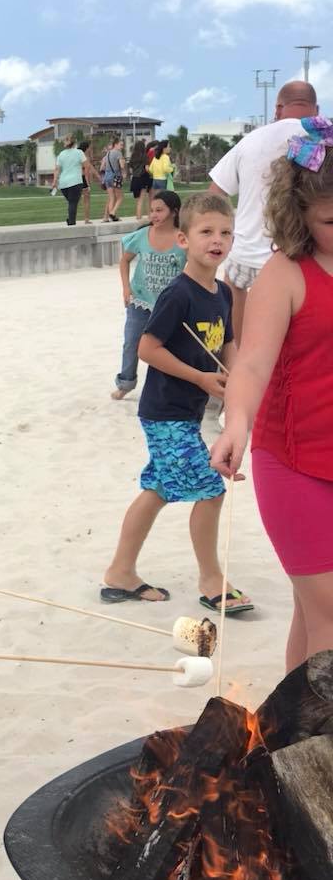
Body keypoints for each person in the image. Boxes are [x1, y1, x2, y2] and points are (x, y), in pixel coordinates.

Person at [211, 117, 333, 672]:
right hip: (294, 463)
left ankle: (289, 737)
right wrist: (236, 423)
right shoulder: (285, 274)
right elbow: (253, 363)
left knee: (314, 618)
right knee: (330, 615)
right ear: (300, 214)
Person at [101, 193, 253, 614]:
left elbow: (228, 342)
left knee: (157, 489)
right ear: (184, 240)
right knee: (209, 490)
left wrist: (235, 379)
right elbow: (148, 348)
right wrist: (201, 377)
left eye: (225, 232)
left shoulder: (221, 292)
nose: (216, 240)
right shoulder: (178, 294)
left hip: (184, 412)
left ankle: (120, 573)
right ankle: (210, 580)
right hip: (166, 411)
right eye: (206, 232)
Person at [208, 81, 318, 344]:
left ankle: (237, 354)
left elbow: (213, 195)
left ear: (278, 108)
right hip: (300, 256)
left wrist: (228, 231)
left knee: (234, 288)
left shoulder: (251, 140)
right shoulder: (322, 139)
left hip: (246, 254)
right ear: (316, 110)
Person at [111, 190, 186, 400]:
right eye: (152, 210)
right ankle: (126, 382)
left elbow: (197, 265)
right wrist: (126, 289)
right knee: (131, 342)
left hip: (171, 305)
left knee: (170, 347)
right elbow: (124, 260)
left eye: (160, 210)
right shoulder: (142, 236)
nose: (154, 215)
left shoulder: (183, 239)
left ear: (174, 212)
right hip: (140, 301)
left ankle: (169, 386)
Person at [52, 135, 87, 225]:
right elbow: (86, 166)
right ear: (74, 143)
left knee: (72, 202)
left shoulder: (61, 154)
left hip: (63, 184)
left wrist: (54, 182)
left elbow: (57, 169)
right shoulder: (79, 152)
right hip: (75, 182)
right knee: (73, 203)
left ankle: (70, 219)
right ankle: (71, 223)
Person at [103, 138, 126, 222]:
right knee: (120, 197)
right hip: (115, 176)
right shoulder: (118, 153)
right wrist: (124, 172)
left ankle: (111, 216)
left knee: (111, 197)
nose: (122, 147)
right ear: (115, 144)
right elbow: (122, 166)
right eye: (121, 145)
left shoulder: (108, 153)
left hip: (107, 176)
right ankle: (112, 212)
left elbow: (104, 165)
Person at [128, 139, 151, 220]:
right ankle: (139, 217)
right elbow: (147, 168)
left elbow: (130, 169)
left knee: (138, 200)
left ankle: (138, 217)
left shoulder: (132, 156)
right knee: (142, 199)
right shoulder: (144, 156)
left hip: (135, 179)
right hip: (142, 178)